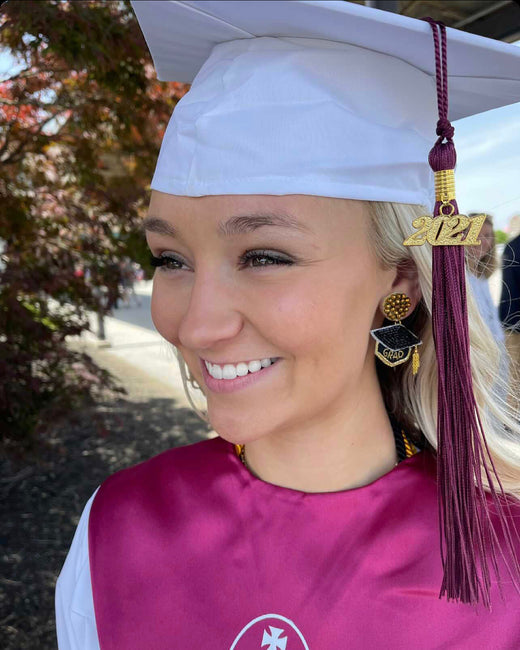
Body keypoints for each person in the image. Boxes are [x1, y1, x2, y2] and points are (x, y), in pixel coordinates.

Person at [55, 2, 520, 648]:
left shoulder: (506, 574)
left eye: (265, 256)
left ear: (401, 282)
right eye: (169, 259)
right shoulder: (116, 533)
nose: (196, 324)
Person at [466, 214, 508, 388]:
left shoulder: (482, 275)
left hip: (495, 352)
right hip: (475, 357)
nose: (482, 241)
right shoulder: (458, 276)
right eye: (475, 234)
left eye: (487, 235)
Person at [500, 232, 520, 412]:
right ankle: (512, 413)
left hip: (509, 318)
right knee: (514, 371)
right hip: (514, 322)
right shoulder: (515, 246)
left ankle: (512, 412)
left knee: (513, 371)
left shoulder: (511, 245)